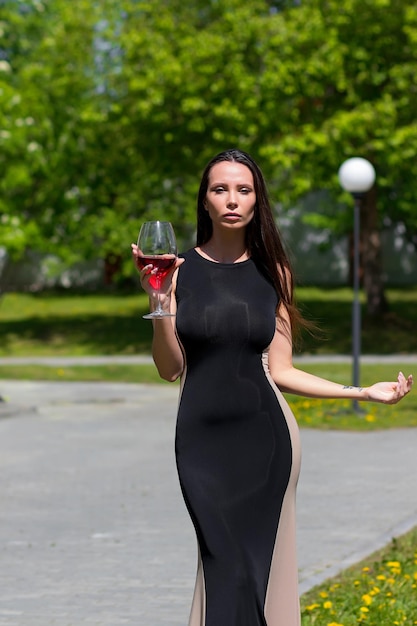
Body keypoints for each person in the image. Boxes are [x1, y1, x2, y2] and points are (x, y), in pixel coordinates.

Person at [131, 148, 413, 626]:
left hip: (266, 440)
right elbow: (169, 367)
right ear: (205, 201)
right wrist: (160, 303)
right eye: (220, 189)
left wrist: (362, 392)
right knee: (223, 565)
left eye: (244, 190)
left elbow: (280, 370)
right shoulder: (178, 271)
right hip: (201, 445)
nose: (232, 200)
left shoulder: (273, 274)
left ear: (257, 201)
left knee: (255, 573)